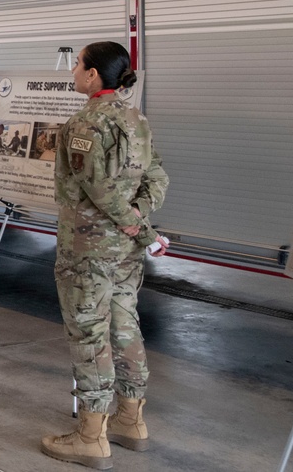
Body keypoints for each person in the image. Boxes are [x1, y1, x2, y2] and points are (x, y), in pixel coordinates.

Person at [42, 41, 170, 470]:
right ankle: (131, 421)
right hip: (124, 255)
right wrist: (142, 223)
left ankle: (91, 436)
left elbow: (102, 193)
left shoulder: (84, 125)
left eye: (78, 65)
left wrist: (138, 225)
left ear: (94, 75)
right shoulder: (137, 120)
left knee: (89, 335)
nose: (73, 72)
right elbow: (158, 177)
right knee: (124, 326)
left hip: (88, 252)